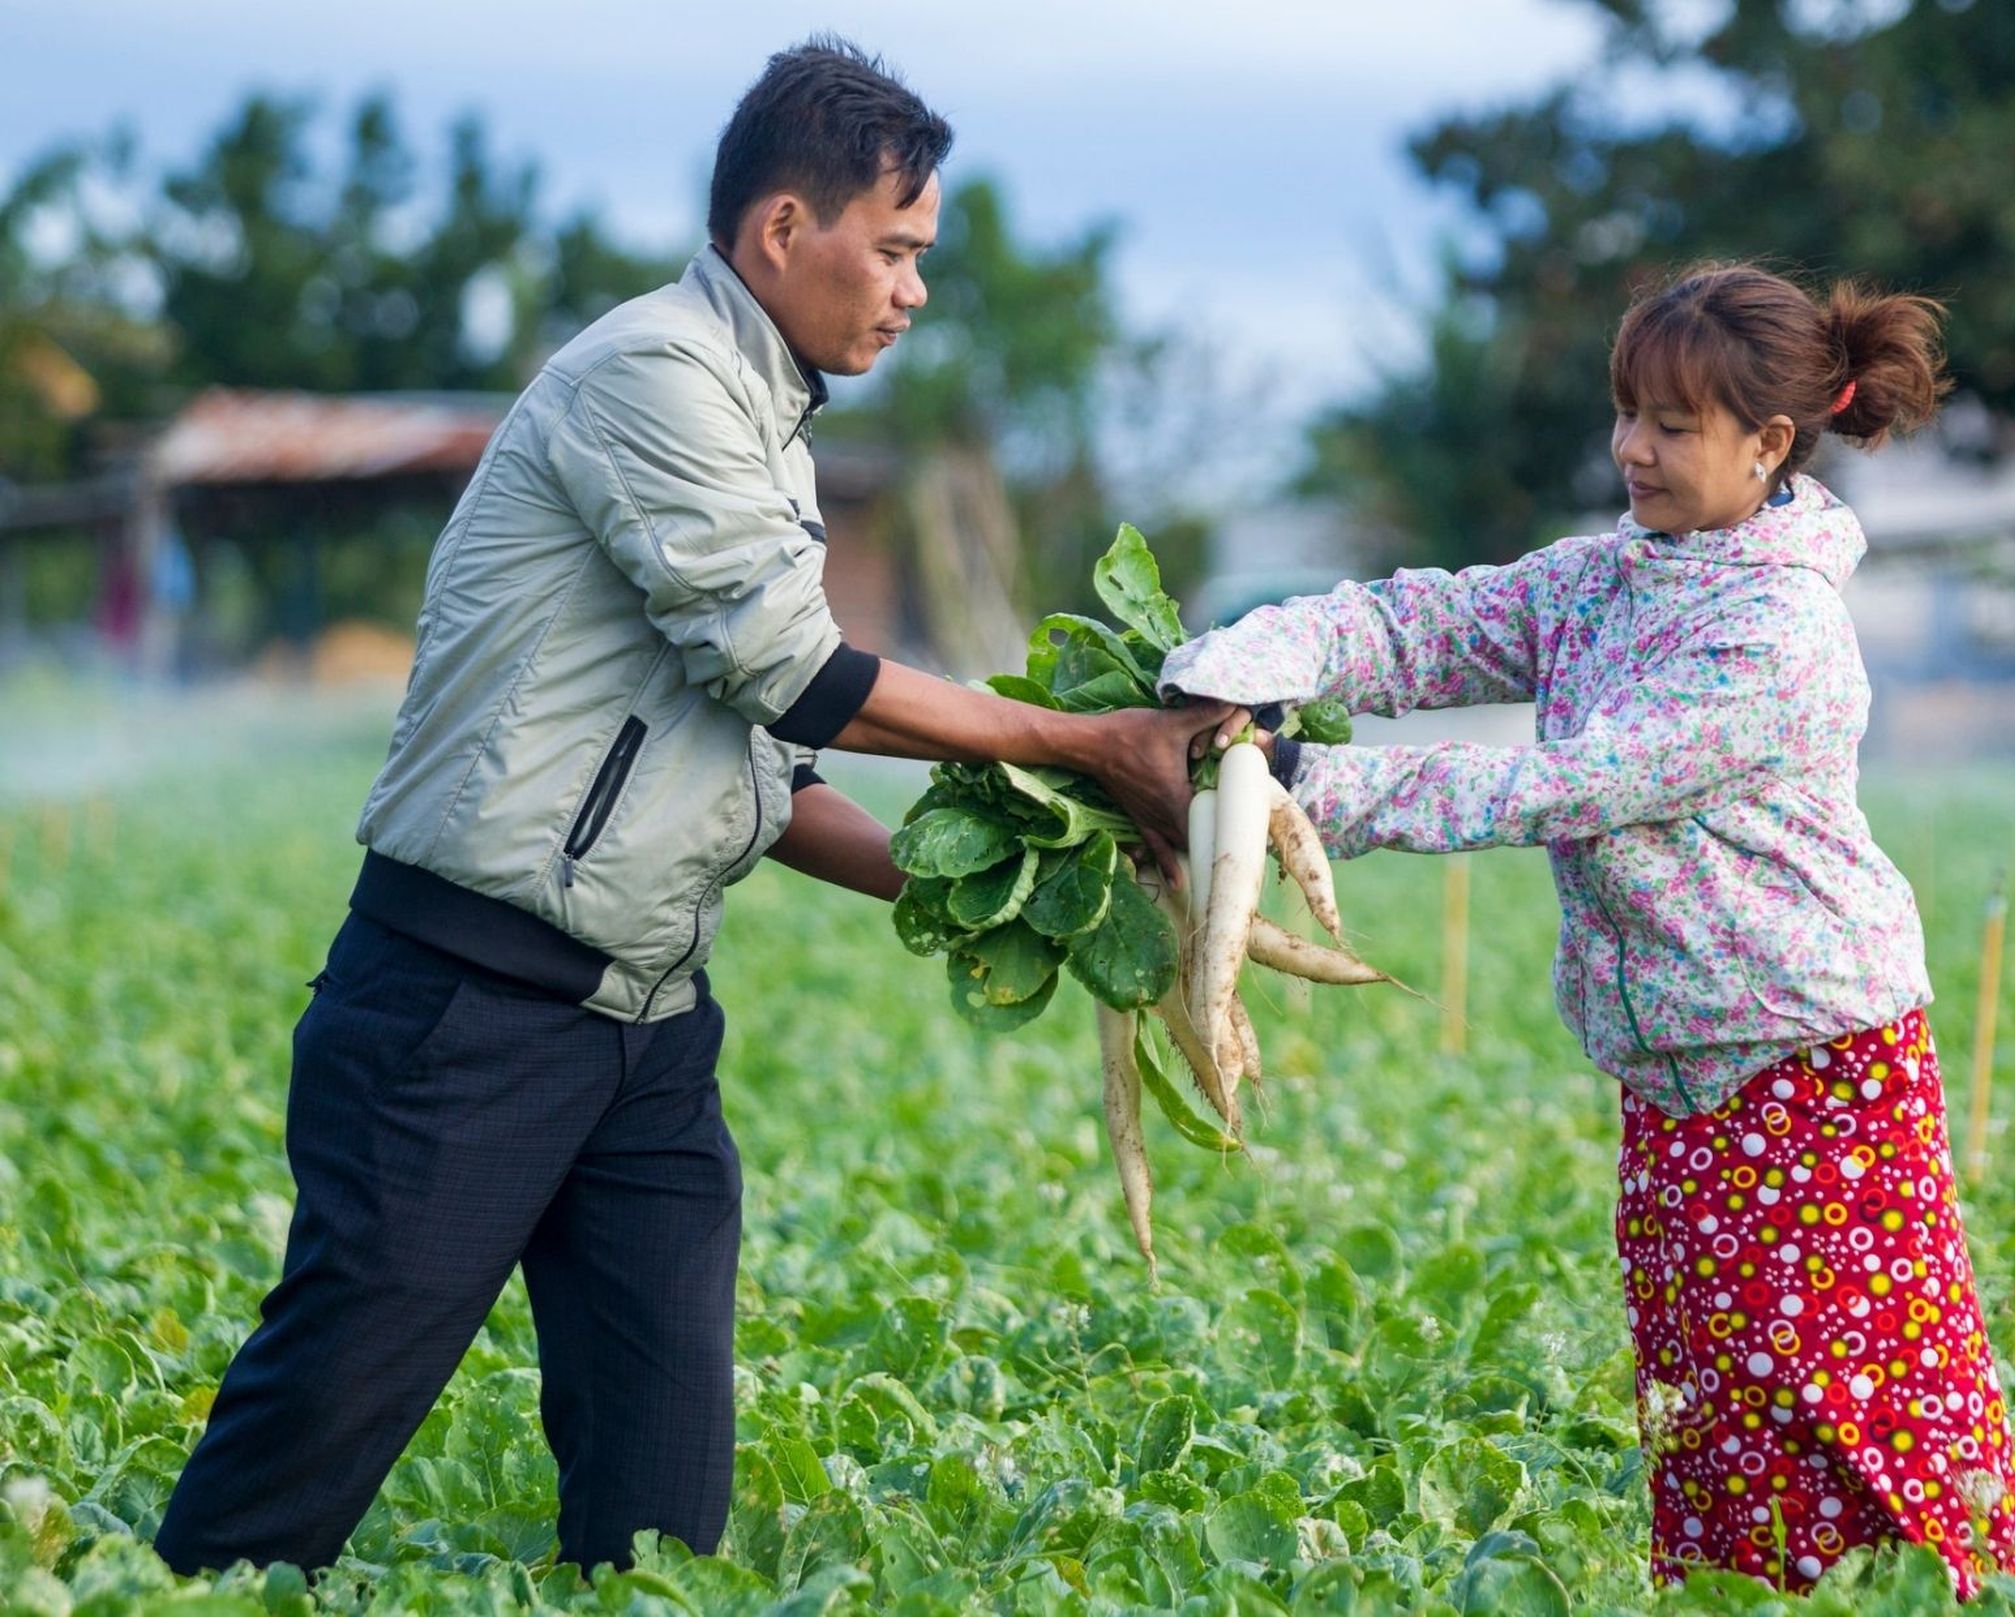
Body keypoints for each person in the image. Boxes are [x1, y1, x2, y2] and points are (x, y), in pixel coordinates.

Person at [155, 37, 1222, 1579]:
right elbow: (798, 671)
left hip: (645, 1029)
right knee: (295, 1457)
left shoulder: (768, 422)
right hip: (468, 1005)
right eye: (900, 248)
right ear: (785, 231)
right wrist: (1084, 742)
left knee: (660, 1518)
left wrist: (1026, 884)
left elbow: (772, 783)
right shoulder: (654, 376)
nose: (916, 290)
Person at [1161, 264, 2015, 1599]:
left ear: (1770, 444)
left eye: (1673, 426)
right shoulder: (1607, 579)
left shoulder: (1780, 629)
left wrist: (1298, 790)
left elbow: (1567, 779)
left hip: (1814, 1063)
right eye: (1627, 412)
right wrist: (1257, 660)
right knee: (1709, 1398)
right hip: (1676, 1070)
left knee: (1852, 1397)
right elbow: (1422, 627)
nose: (1632, 448)